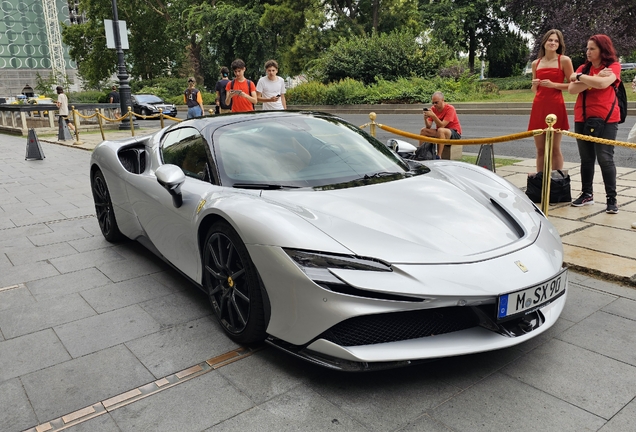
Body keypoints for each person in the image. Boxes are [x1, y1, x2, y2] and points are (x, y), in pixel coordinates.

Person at [568, 34, 621, 214]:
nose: (588, 52)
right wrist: (591, 78)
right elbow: (571, 89)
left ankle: (611, 199)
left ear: (602, 50)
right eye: (587, 48)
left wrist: (581, 77)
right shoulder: (584, 67)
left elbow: (603, 83)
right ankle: (586, 194)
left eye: (592, 49)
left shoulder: (613, 66)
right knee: (586, 159)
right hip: (582, 117)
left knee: (605, 158)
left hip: (607, 119)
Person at [527, 29, 574, 172]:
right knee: (540, 149)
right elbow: (535, 90)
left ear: (559, 44)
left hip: (556, 106)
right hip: (539, 106)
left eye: (556, 41)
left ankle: (557, 180)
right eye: (550, 40)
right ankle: (540, 180)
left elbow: (573, 85)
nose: (553, 43)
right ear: (544, 42)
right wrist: (534, 85)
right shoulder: (536, 63)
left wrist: (554, 85)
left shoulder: (564, 60)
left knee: (554, 148)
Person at [418, 91, 462, 158]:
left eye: (436, 102)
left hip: (454, 132)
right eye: (433, 103)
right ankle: (421, 153)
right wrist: (425, 119)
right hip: (441, 132)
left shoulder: (450, 108)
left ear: (442, 100)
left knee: (441, 130)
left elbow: (442, 125)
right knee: (423, 131)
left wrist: (433, 116)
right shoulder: (433, 109)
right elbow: (428, 126)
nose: (434, 105)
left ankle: (439, 156)